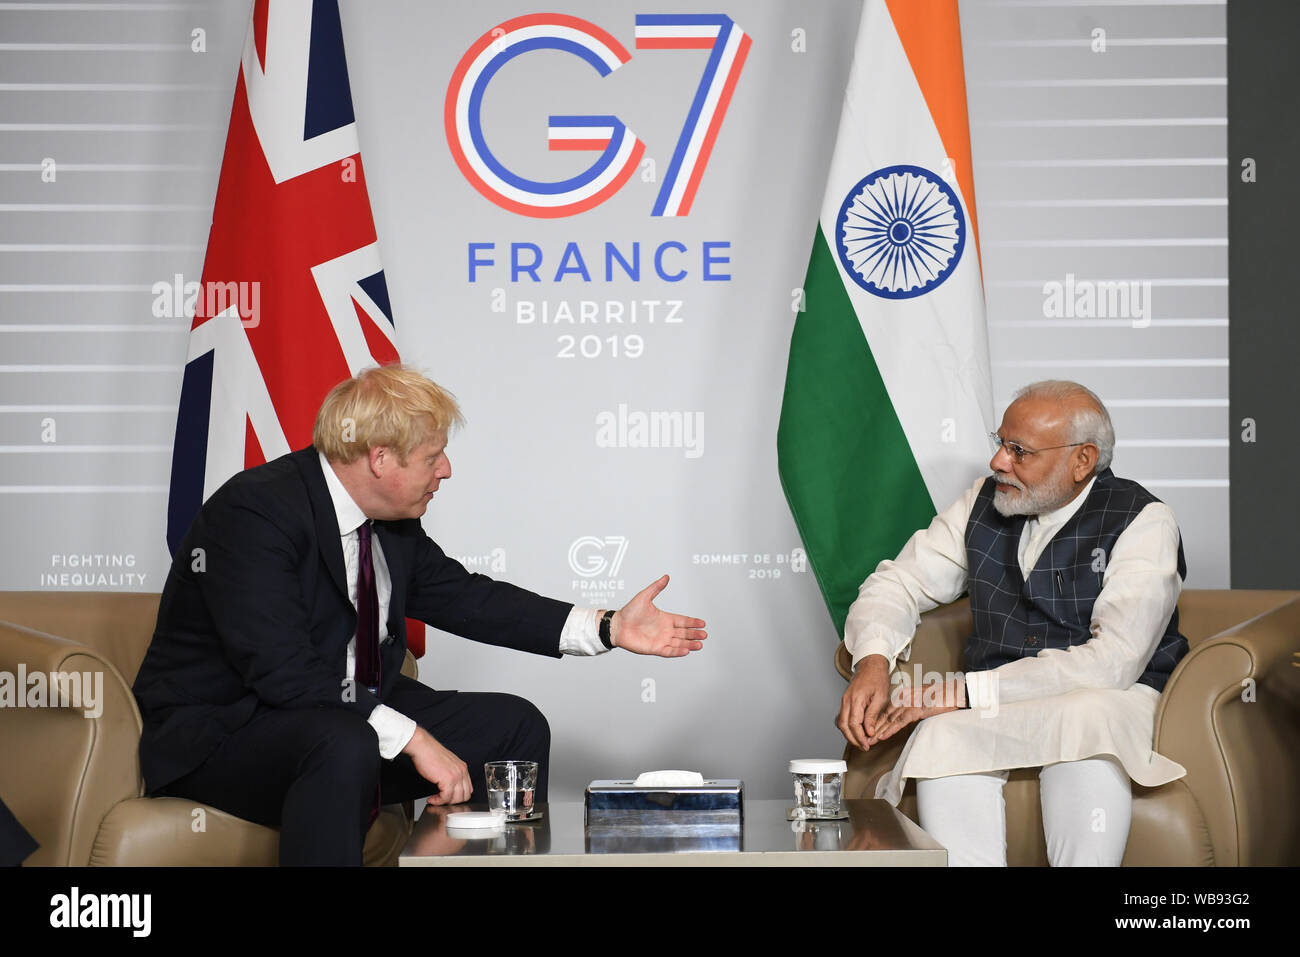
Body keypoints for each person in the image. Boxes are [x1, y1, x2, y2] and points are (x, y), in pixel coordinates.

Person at [134, 364, 707, 865]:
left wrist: (608, 627)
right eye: (433, 457)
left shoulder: (391, 523)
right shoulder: (254, 513)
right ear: (379, 458)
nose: (447, 470)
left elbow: (470, 599)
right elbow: (282, 672)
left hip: (341, 721)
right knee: (343, 739)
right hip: (228, 734)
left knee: (511, 726)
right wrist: (412, 738)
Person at [835, 380, 1188, 866]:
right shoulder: (983, 499)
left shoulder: (1143, 520)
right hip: (993, 699)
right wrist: (873, 658)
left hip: (1102, 697)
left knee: (1088, 720)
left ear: (1082, 461)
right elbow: (899, 582)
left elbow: (1113, 665)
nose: (999, 462)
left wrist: (964, 691)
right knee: (943, 735)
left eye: (1019, 451)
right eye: (1000, 443)